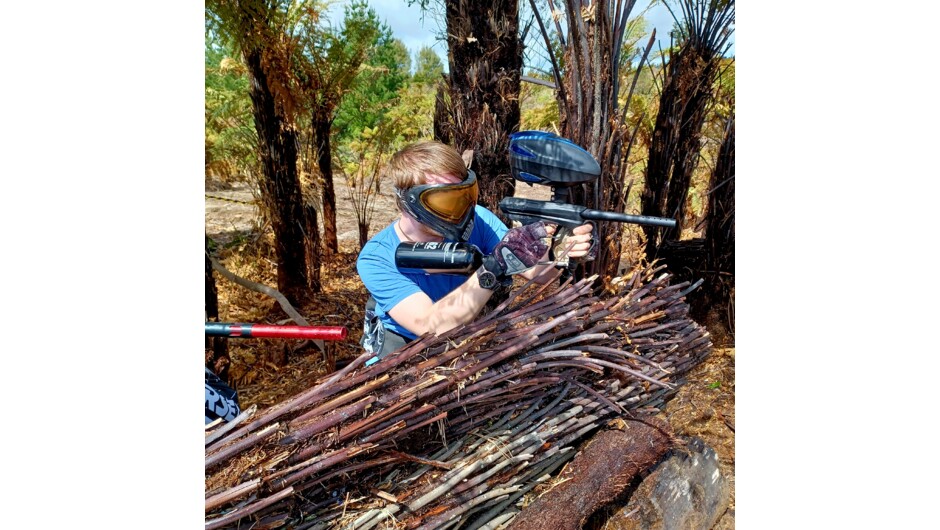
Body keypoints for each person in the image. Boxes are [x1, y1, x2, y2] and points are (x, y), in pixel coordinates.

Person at [356, 140, 594, 360]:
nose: (460, 210)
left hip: (463, 339)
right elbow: (430, 326)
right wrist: (493, 269)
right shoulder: (376, 257)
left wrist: (559, 253)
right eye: (445, 201)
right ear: (410, 202)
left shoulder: (478, 219)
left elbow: (537, 275)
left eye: (464, 196)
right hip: (403, 347)